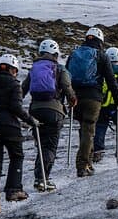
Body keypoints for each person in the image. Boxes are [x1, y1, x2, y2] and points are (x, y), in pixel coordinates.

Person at [0, 54, 39, 214]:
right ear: (13, 69)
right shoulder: (14, 84)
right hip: (10, 126)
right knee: (17, 156)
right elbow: (16, 107)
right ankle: (14, 189)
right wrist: (30, 120)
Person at [66, 27, 118, 177]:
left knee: (84, 130)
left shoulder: (74, 54)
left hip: (76, 97)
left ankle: (88, 163)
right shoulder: (101, 56)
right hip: (93, 97)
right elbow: (111, 81)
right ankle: (83, 165)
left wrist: (65, 97)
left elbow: (65, 76)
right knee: (89, 130)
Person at [22, 39, 77, 191]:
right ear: (56, 54)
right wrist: (72, 99)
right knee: (50, 146)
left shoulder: (34, 68)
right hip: (54, 111)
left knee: (40, 144)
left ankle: (39, 177)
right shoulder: (60, 69)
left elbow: (23, 89)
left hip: (35, 110)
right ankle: (43, 179)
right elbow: (66, 86)